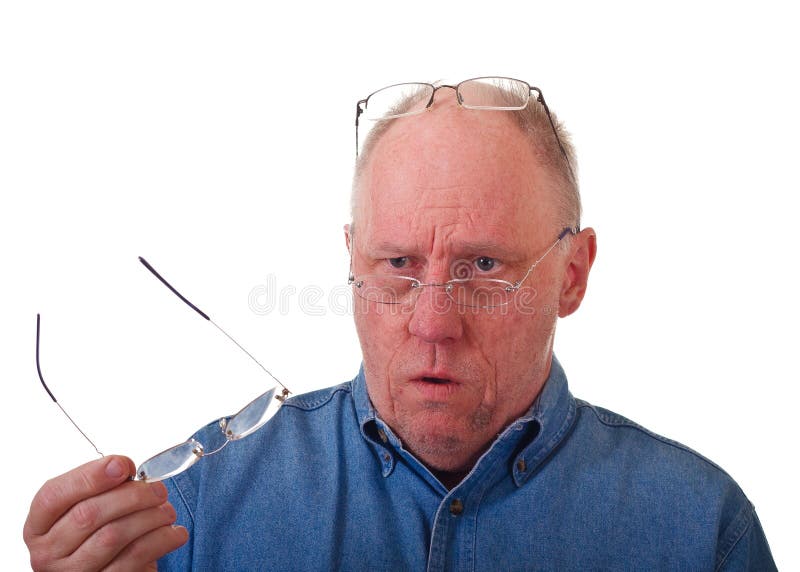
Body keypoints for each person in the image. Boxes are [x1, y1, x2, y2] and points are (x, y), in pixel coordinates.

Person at [24, 77, 776, 570]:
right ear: (351, 260)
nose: (434, 322)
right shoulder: (187, 515)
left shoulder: (702, 530)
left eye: (483, 267)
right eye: (399, 265)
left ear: (572, 275)